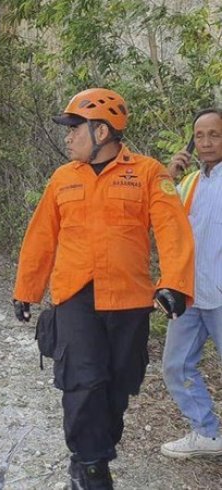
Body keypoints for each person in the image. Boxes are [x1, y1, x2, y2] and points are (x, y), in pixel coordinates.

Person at [12, 88, 195, 490]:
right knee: (83, 380)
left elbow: (172, 230)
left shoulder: (147, 173)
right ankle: (89, 464)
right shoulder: (63, 178)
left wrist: (174, 284)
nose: (67, 136)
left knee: (119, 381)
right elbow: (42, 236)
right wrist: (26, 289)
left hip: (129, 297)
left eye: (74, 128)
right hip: (75, 296)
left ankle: (100, 445)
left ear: (101, 131)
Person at [160, 108, 222, 459]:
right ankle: (206, 433)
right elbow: (164, 222)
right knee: (176, 365)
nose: (206, 142)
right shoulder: (189, 183)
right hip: (190, 295)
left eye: (214, 134)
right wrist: (169, 177)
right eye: (200, 136)